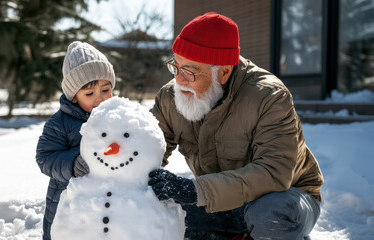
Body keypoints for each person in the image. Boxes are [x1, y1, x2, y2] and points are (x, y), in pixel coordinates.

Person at [148, 12, 323, 240]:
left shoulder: (269, 97)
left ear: (224, 72)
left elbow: (274, 173)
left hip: (285, 197)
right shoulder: (170, 97)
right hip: (219, 200)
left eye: (190, 71)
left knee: (270, 215)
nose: (179, 80)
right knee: (164, 213)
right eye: (176, 66)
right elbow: (144, 149)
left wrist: (196, 190)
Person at [36, 41, 115, 240]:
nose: (100, 98)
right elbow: (45, 157)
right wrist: (72, 163)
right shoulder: (59, 123)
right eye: (89, 93)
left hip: (104, 198)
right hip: (66, 199)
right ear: (73, 97)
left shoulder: (116, 115)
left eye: (106, 90)